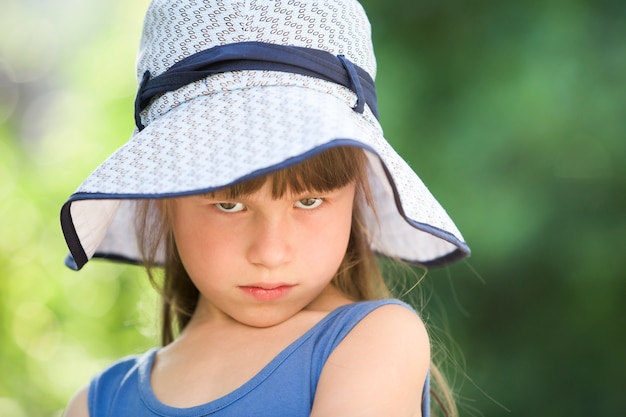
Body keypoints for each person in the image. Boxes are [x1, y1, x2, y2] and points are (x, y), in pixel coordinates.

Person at [61, 0, 470, 416]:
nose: (271, 253)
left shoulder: (371, 343)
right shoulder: (94, 404)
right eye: (229, 204)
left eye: (309, 201)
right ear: (164, 198)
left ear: (355, 196)